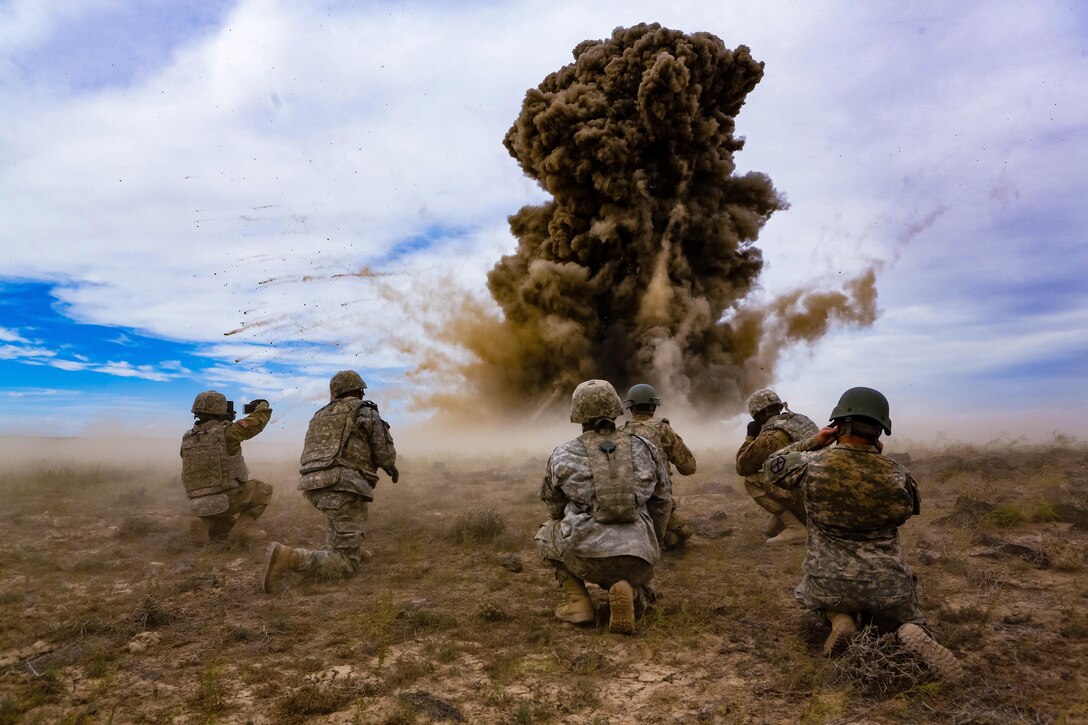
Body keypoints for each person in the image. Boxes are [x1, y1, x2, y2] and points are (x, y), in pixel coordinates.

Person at [762, 387, 961, 679]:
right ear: (880, 431)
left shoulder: (811, 466)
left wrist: (816, 441)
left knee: (814, 595)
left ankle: (838, 618)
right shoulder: (899, 475)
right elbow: (907, 512)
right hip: (887, 586)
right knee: (904, 615)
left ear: (839, 425)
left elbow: (771, 467)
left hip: (828, 580)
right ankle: (908, 629)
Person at [535, 379, 672, 635]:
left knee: (547, 532)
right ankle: (629, 589)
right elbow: (663, 501)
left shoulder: (563, 453)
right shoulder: (645, 448)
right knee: (635, 575)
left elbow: (553, 506)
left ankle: (579, 604)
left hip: (588, 555)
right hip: (640, 556)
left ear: (578, 414)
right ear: (617, 409)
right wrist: (654, 541)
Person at [262, 370, 398, 591]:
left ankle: (345, 547)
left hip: (312, 484)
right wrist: (391, 466)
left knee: (339, 514)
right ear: (360, 390)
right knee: (347, 564)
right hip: (344, 483)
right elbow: (384, 455)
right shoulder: (364, 411)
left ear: (334, 392)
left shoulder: (320, 414)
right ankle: (290, 558)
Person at [180, 391, 273, 545]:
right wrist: (262, 406)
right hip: (226, 499)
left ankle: (204, 524)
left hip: (197, 504)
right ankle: (243, 529)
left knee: (227, 524)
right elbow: (257, 422)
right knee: (263, 489)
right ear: (220, 410)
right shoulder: (228, 432)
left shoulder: (187, 438)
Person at [736, 388, 818, 545]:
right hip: (819, 487)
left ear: (758, 415)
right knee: (772, 530)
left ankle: (795, 528)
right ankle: (800, 520)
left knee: (751, 480)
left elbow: (742, 468)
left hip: (804, 490)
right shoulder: (802, 420)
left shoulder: (772, 435)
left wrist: (750, 437)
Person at [620, 383, 696, 549]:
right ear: (653, 407)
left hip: (626, 502)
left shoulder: (619, 433)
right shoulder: (663, 429)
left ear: (630, 408)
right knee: (683, 532)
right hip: (658, 502)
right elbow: (688, 467)